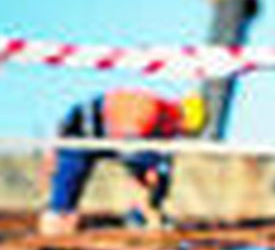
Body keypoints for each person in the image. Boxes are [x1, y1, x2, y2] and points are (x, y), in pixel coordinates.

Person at [38, 89, 207, 235]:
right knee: (67, 185)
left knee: (160, 167)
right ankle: (57, 218)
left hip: (113, 132)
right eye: (183, 131)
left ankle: (139, 216)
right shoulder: (148, 111)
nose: (179, 136)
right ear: (180, 118)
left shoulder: (165, 125)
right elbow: (130, 149)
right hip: (87, 127)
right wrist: (146, 174)